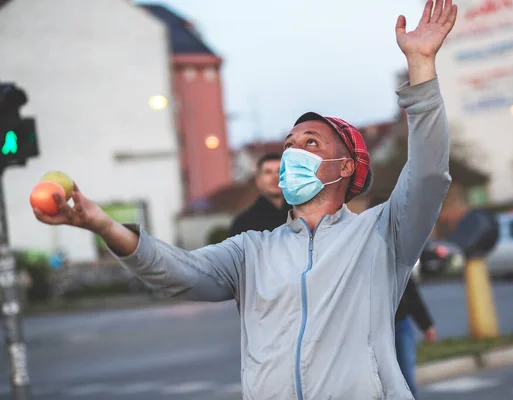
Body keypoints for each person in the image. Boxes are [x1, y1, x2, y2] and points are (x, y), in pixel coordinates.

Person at [33, 1, 457, 398]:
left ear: (344, 167)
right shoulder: (252, 250)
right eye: (290, 142)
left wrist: (420, 67)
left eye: (310, 142)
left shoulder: (381, 235)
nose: (293, 151)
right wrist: (102, 223)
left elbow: (428, 173)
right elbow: (179, 272)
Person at [368, 198, 436, 399]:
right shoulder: (363, 250)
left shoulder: (398, 250)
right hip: (373, 329)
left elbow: (411, 291)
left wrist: (426, 325)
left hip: (401, 323)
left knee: (406, 382)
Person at [229, 153, 291, 237]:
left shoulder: (301, 216)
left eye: (279, 171)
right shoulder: (244, 223)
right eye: (268, 172)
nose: (275, 177)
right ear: (258, 181)